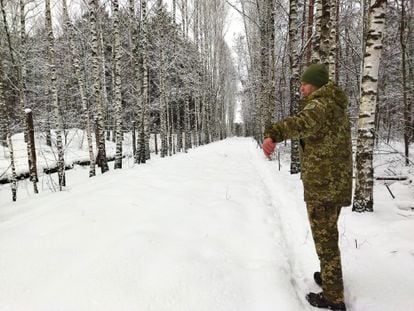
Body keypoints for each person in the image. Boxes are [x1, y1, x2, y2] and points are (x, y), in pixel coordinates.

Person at [262, 64, 352, 311]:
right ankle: (329, 275)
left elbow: (300, 123)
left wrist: (273, 134)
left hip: (324, 184)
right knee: (328, 234)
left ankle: (334, 297)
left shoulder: (320, 105)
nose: (301, 87)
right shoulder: (333, 105)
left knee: (325, 240)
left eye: (305, 83)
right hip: (334, 182)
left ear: (317, 85)